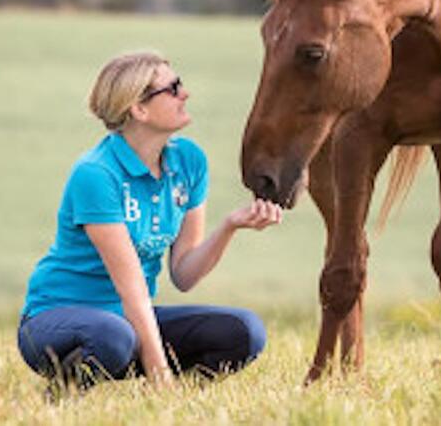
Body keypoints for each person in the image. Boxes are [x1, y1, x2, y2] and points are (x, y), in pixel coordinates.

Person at [17, 51, 282, 391]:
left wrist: (230, 226)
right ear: (138, 109)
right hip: (54, 321)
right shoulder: (96, 174)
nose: (184, 94)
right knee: (113, 338)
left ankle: (173, 392)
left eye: (180, 84)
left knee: (245, 331)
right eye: (171, 89)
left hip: (126, 321)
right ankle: (63, 392)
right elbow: (131, 289)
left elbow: (184, 274)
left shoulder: (189, 161)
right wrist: (159, 374)